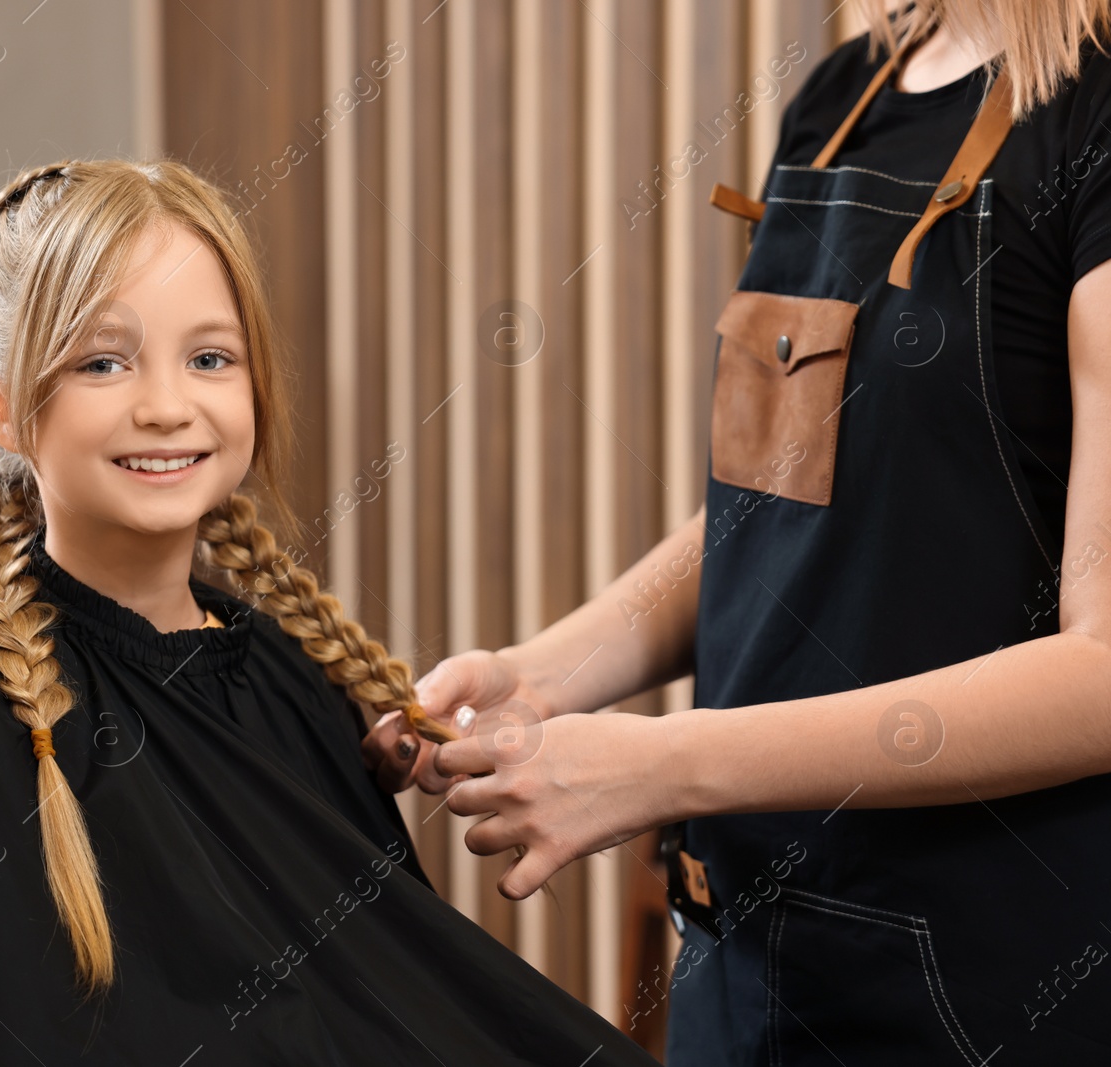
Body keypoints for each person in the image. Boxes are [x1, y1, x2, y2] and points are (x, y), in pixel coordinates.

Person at [0, 159, 663, 1066]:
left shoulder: (284, 671)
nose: (167, 404)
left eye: (210, 359)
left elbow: (370, 992)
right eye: (104, 361)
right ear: (2, 406)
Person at [365, 0, 1111, 1061]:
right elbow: (768, 507)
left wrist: (669, 762)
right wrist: (542, 676)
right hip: (751, 938)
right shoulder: (844, 98)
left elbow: (1103, 669)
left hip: (984, 977)